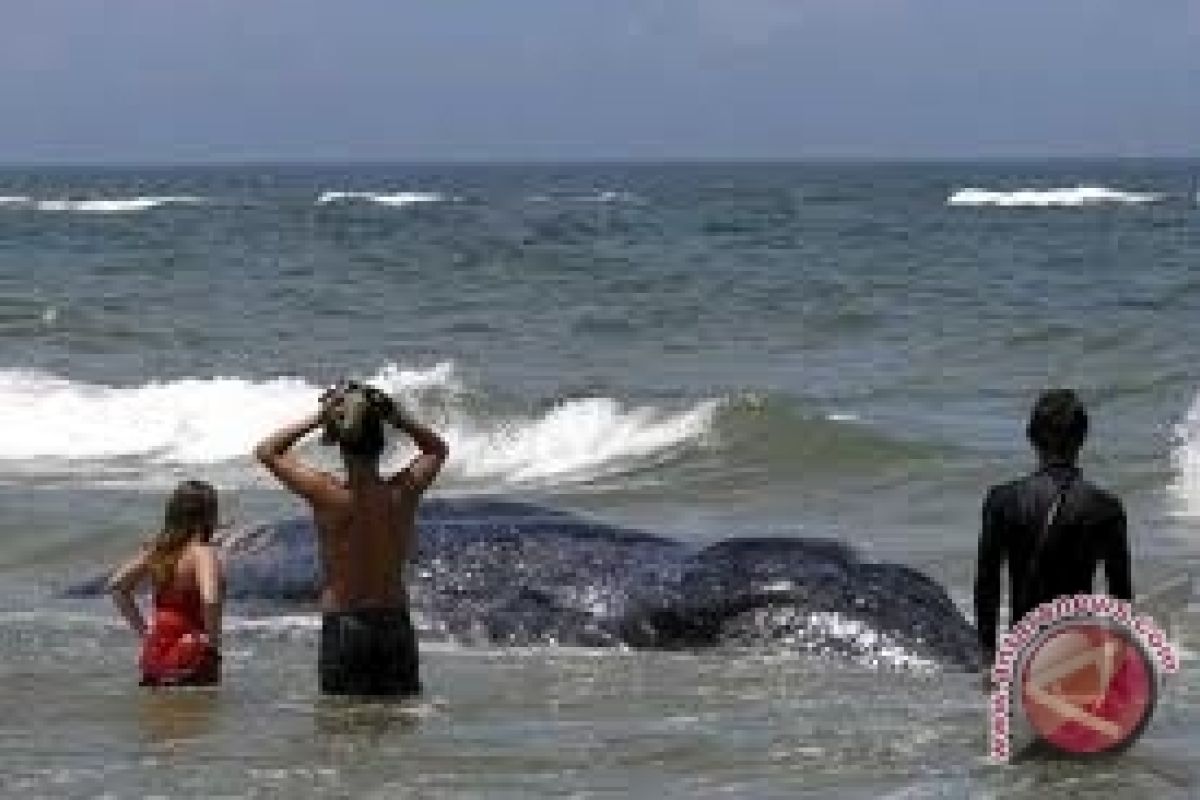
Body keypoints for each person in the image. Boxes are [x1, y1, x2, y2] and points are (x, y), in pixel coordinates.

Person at [254, 381, 448, 697]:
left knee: (342, 727)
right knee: (398, 724)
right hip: (394, 621)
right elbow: (437, 449)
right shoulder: (402, 493)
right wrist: (396, 417)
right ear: (382, 444)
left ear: (341, 445)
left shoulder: (327, 494)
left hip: (346, 623)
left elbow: (267, 451)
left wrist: (320, 417)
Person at [974, 389, 1133, 674]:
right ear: (1082, 438)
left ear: (1031, 436)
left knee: (1017, 719)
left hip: (1024, 653)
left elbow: (987, 586)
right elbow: (1120, 597)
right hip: (1078, 654)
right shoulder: (1106, 508)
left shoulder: (1002, 501)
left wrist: (989, 657)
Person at [108, 480, 223, 687]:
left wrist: (144, 633)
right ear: (208, 516)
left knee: (160, 715)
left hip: (155, 649)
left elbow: (117, 586)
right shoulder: (202, 553)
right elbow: (210, 599)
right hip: (190, 648)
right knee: (196, 716)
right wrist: (212, 645)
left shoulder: (158, 552)